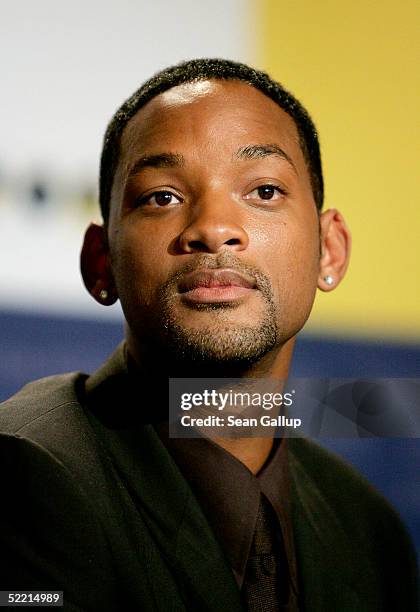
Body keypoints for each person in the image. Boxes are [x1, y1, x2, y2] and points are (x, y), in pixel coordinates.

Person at [0, 58, 417, 611]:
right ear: (101, 263)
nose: (214, 227)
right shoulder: (27, 476)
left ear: (329, 250)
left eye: (264, 191)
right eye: (162, 197)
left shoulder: (367, 527)